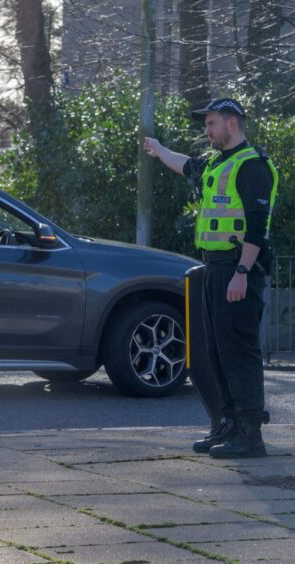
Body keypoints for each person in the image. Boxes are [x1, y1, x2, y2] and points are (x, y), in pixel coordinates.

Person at [144, 97, 278, 459]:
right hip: (215, 268)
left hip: (238, 269)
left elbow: (256, 227)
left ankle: (251, 435)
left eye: (212, 123)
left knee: (239, 351)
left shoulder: (253, 166)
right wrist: (158, 150)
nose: (207, 131)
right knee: (217, 351)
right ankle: (229, 426)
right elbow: (186, 166)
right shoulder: (220, 164)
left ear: (232, 123)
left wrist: (241, 273)